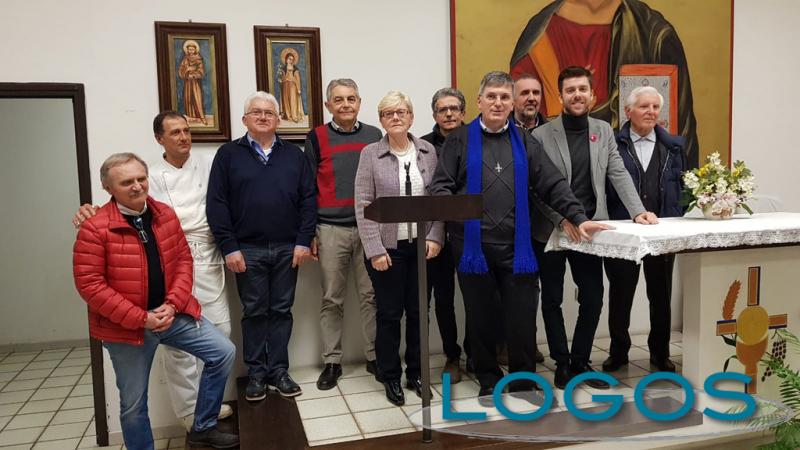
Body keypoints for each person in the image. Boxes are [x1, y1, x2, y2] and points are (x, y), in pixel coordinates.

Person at [430, 71, 611, 404]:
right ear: (480, 101)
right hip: (473, 248)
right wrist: (457, 213)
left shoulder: (526, 141)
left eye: (504, 97)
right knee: (481, 317)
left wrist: (578, 217)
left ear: (512, 103)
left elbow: (552, 184)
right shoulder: (460, 140)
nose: (498, 103)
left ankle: (523, 381)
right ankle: (488, 378)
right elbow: (440, 186)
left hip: (518, 248)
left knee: (522, 317)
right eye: (492, 96)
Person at [71, 112, 234, 431]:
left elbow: (227, 200)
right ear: (160, 139)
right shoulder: (149, 176)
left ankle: (206, 409)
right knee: (173, 356)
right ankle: (189, 412)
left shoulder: (208, 164)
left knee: (221, 337)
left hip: (202, 253)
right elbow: (124, 207)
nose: (183, 137)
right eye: (175, 132)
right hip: (159, 265)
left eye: (186, 131)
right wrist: (90, 211)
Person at [531, 66, 658, 391]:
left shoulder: (603, 131)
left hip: (591, 230)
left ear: (592, 95)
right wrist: (562, 219)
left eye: (582, 89)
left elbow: (618, 172)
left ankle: (580, 361)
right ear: (560, 96)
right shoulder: (540, 136)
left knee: (593, 297)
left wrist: (638, 211)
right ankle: (561, 363)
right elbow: (535, 189)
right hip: (552, 230)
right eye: (570, 90)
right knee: (552, 299)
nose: (577, 95)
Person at [207, 91, 317, 401]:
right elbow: (217, 203)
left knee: (281, 311)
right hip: (247, 250)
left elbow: (309, 200)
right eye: (256, 112)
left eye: (269, 112)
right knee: (254, 312)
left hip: (288, 248)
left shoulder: (294, 155)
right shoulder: (228, 154)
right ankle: (256, 373)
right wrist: (229, 246)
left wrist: (303, 241)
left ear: (278, 120)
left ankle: (279, 371)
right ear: (245, 119)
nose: (263, 116)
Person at [509, 0, 699, 167]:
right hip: (562, 175)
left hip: (636, 180)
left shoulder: (654, 36)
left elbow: (679, 132)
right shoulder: (539, 40)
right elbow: (525, 128)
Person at [354, 91, 444, 406]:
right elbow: (363, 204)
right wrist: (374, 249)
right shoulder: (370, 154)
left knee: (419, 312)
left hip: (422, 247)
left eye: (401, 111)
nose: (396, 117)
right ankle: (390, 374)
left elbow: (438, 199)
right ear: (381, 120)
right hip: (387, 249)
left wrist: (435, 236)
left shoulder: (428, 151)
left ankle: (416, 372)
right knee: (390, 313)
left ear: (411, 116)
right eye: (389, 113)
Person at [304, 79, 383, 390]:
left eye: (351, 98)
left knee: (371, 296)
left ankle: (374, 356)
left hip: (369, 229)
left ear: (359, 102)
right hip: (330, 229)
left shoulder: (374, 135)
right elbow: (308, 187)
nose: (346, 104)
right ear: (328, 105)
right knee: (331, 299)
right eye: (338, 100)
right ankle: (332, 361)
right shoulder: (317, 137)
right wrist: (310, 231)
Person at [602, 86, 687, 374]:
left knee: (661, 296)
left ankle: (660, 354)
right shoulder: (613, 144)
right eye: (643, 106)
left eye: (655, 107)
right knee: (620, 295)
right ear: (628, 111)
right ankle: (618, 352)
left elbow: (684, 185)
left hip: (662, 233)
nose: (651, 112)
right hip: (623, 232)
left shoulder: (674, 147)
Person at [420, 87, 467, 383]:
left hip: (471, 231)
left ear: (463, 112)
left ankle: (479, 352)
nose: (448, 114)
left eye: (453, 109)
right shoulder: (422, 146)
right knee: (442, 298)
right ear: (434, 114)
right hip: (434, 235)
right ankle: (451, 356)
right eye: (442, 110)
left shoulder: (477, 140)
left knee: (479, 298)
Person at [178, 40, 206, 125]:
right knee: (188, 98)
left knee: (197, 98)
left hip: (195, 83)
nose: (191, 51)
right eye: (189, 49)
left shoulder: (199, 59)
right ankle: (191, 117)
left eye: (192, 49)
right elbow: (181, 70)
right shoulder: (185, 59)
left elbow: (201, 71)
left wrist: (193, 74)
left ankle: (201, 117)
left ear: (195, 50)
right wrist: (186, 71)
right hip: (188, 83)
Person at [278, 49, 305, 123]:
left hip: (293, 87)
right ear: (286, 59)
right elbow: (281, 79)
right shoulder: (283, 69)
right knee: (286, 101)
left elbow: (297, 79)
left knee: (293, 101)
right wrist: (282, 79)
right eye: (289, 59)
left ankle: (294, 116)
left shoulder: (295, 69)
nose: (290, 61)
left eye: (292, 59)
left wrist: (298, 88)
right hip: (285, 86)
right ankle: (288, 116)